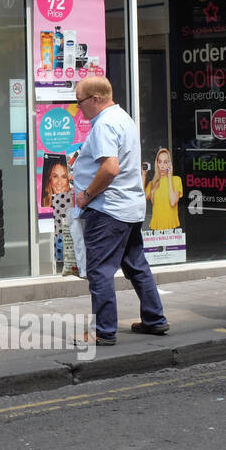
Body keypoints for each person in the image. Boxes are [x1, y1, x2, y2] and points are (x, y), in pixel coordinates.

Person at [71, 77, 168, 344]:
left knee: (99, 270)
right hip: (129, 206)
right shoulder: (123, 118)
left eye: (80, 102)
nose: (78, 108)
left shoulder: (104, 123)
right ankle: (155, 319)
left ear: (95, 99)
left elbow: (110, 168)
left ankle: (104, 332)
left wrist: (86, 195)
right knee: (136, 265)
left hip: (108, 209)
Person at [144, 147, 182, 231]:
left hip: (172, 229)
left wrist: (169, 177)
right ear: (156, 164)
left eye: (165, 162)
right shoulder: (152, 183)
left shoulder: (176, 180)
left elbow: (172, 202)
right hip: (156, 229)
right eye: (160, 162)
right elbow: (141, 200)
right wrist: (143, 176)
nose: (162, 166)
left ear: (169, 164)